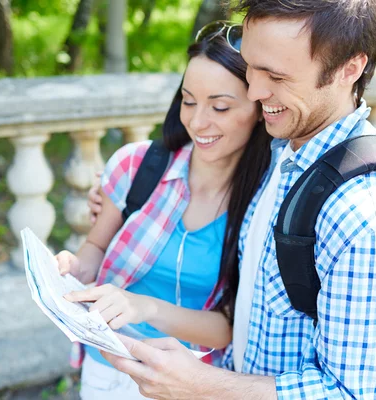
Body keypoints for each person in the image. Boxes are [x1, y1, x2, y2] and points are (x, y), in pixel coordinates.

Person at [98, 1, 376, 399]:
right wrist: (112, 194)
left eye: (276, 76)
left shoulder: (368, 220)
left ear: (349, 69)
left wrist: (198, 383)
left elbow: (351, 394)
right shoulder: (284, 154)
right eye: (250, 66)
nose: (255, 91)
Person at [55, 22, 271, 400]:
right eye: (188, 101)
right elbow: (93, 252)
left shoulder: (265, 203)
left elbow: (228, 327)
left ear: (260, 109)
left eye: (220, 106)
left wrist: (143, 308)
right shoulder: (136, 166)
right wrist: (68, 270)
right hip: (109, 366)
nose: (198, 122)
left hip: (191, 381)